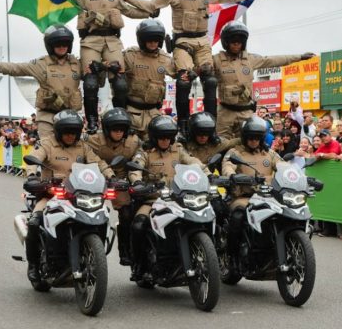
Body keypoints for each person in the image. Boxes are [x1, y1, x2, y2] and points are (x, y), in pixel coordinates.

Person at [122, 0, 264, 128]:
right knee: (183, 80)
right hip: (183, 42)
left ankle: (210, 122)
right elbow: (151, 6)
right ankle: (182, 124)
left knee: (210, 80)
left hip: (203, 42)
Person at [27, 0, 152, 131]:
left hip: (112, 42)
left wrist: (149, 14)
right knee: (90, 82)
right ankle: (92, 120)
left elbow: (130, 11)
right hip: (91, 41)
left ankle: (122, 117)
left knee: (120, 82)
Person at [24, 110, 115, 281]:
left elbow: (99, 163)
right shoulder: (47, 144)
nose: (70, 136)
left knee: (101, 217)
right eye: (66, 132)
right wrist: (31, 176)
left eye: (73, 132)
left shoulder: (83, 146)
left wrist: (111, 176)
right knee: (35, 222)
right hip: (51, 196)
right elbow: (33, 159)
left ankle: (93, 257)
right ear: (58, 131)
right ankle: (34, 265)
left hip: (79, 196)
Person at [128, 115, 208, 276]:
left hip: (179, 200)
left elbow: (192, 161)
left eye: (168, 137)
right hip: (153, 199)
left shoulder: (178, 149)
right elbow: (135, 168)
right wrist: (137, 182)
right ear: (154, 137)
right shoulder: (145, 152)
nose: (165, 140)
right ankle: (140, 265)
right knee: (138, 225)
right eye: (161, 137)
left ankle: (208, 257)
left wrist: (207, 173)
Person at [0, 25, 82, 141]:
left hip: (70, 117)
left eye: (65, 44)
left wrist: (99, 68)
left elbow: (97, 78)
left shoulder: (77, 64)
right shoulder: (41, 64)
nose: (62, 47)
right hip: (48, 117)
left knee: (74, 149)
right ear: (50, 45)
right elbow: (15, 68)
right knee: (49, 147)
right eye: (58, 44)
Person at [212, 21, 314, 139]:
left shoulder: (250, 59)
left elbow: (274, 60)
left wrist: (300, 57)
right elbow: (198, 68)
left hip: (246, 112)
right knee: (220, 144)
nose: (236, 45)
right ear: (226, 42)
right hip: (225, 112)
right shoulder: (216, 60)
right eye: (233, 42)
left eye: (239, 42)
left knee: (249, 143)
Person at [82, 108, 140, 264]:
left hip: (120, 181)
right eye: (115, 129)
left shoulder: (133, 141)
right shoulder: (93, 139)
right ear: (107, 129)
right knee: (88, 212)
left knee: (127, 214)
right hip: (94, 179)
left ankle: (125, 251)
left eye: (122, 129)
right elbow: (77, 143)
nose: (119, 133)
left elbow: (143, 152)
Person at [222, 116, 283, 250]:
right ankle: (232, 253)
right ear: (245, 137)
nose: (254, 141)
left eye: (257, 138)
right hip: (243, 197)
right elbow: (227, 166)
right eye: (250, 137)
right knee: (238, 217)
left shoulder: (269, 153)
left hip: (267, 196)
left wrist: (292, 173)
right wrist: (231, 175)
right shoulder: (235, 152)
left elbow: (283, 166)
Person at [119, 19, 176, 139]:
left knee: (155, 147)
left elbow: (182, 73)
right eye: (149, 40)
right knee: (129, 146)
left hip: (154, 114)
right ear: (142, 40)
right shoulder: (131, 56)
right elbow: (113, 64)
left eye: (156, 40)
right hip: (132, 113)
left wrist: (179, 49)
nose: (153, 43)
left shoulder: (165, 59)